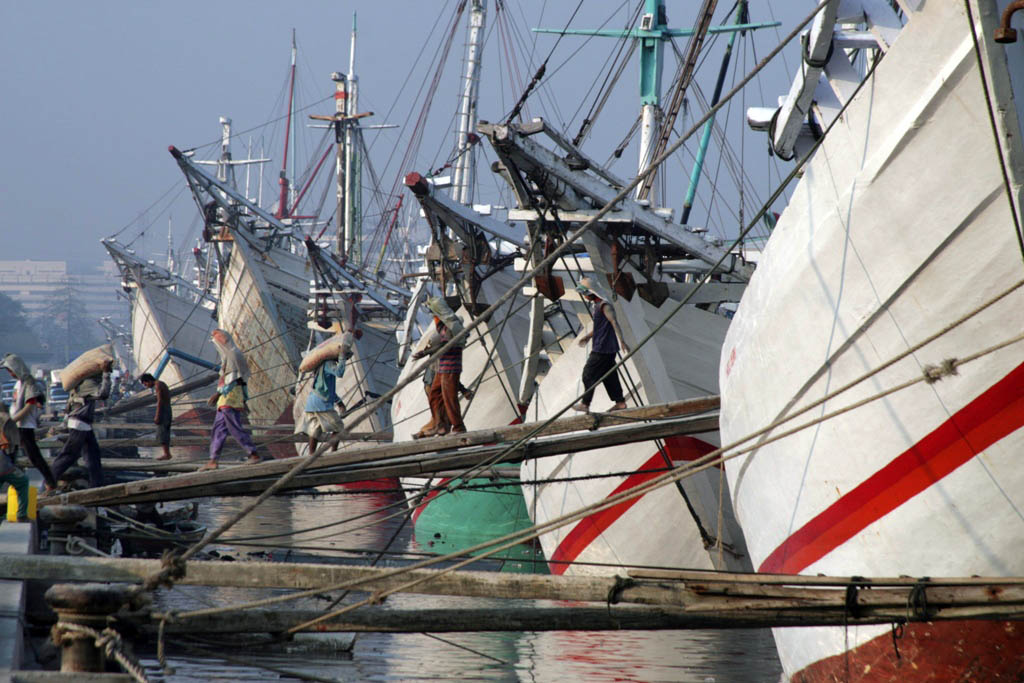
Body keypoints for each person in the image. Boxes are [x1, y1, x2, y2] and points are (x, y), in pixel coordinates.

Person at [200, 329, 260, 471]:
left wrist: (218, 394)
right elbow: (241, 380)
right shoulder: (230, 355)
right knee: (218, 429)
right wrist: (244, 400)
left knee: (234, 427)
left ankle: (254, 454)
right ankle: (213, 460)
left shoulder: (233, 354)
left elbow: (233, 380)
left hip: (229, 399)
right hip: (227, 400)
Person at [51, 359, 113, 489]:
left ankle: (97, 486)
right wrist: (106, 374)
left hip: (83, 425)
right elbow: (103, 394)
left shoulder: (81, 383)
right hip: (79, 424)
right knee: (69, 455)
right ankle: (49, 480)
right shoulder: (88, 383)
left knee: (93, 456)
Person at [2, 354, 57, 493]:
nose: (10, 373)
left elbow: (29, 406)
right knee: (7, 456)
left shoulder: (29, 383)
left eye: (10, 370)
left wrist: (11, 421)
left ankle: (51, 483)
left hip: (24, 426)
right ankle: (13, 487)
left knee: (33, 456)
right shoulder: (18, 383)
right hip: (15, 427)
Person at [573, 279, 629, 413]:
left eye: (584, 293)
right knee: (609, 376)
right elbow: (600, 327)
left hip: (603, 348)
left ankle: (585, 403)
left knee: (588, 374)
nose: (584, 296)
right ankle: (620, 402)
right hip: (604, 348)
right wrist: (587, 337)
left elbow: (614, 322)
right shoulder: (597, 306)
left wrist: (622, 341)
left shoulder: (605, 306)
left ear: (591, 292)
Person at [297, 333, 352, 455]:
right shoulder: (328, 363)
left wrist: (339, 403)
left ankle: (311, 454)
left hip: (313, 401)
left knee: (315, 430)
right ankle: (333, 453)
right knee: (339, 428)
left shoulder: (321, 366)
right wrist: (342, 357)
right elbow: (340, 372)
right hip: (321, 402)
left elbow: (328, 389)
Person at [0, 402, 30, 522]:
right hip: (3, 463)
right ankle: (22, 514)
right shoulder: (9, 422)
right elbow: (13, 448)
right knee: (22, 482)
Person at [138, 373, 172, 461]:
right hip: (167, 409)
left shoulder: (158, 385)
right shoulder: (161, 383)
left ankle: (166, 454)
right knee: (165, 431)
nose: (146, 386)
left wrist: (157, 415)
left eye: (145, 384)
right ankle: (167, 453)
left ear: (148, 380)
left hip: (164, 410)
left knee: (162, 432)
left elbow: (160, 401)